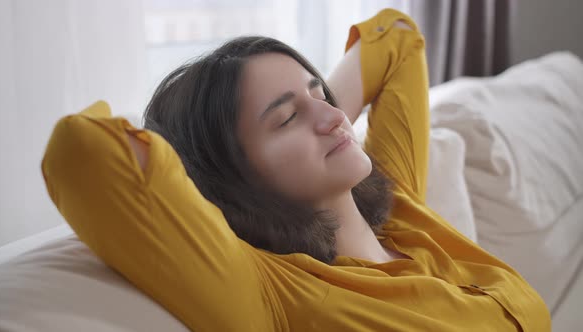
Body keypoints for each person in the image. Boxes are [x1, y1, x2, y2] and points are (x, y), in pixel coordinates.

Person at [41, 8, 551, 331]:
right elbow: (80, 153)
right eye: (286, 118)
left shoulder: (403, 212)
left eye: (320, 95)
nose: (333, 117)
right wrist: (209, 179)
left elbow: (396, 37)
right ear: (231, 175)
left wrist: (317, 122)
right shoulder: (272, 293)